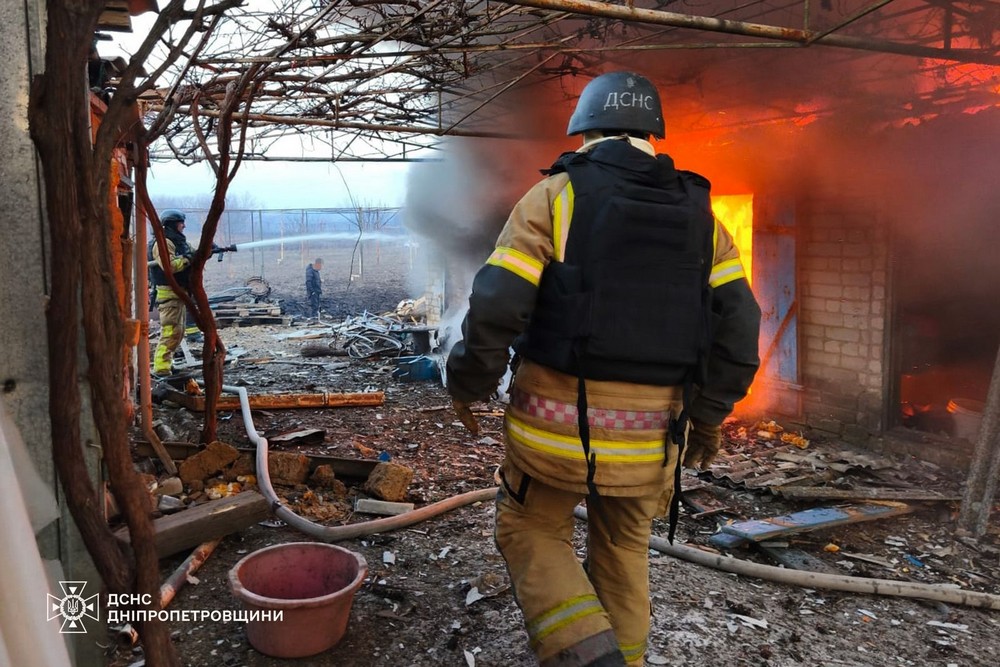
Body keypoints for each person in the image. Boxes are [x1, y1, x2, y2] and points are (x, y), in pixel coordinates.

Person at [446, 71, 761, 667]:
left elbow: (496, 306)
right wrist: (709, 420)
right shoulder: (705, 220)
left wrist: (468, 382)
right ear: (653, 135)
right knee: (623, 547)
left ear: (584, 131)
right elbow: (739, 332)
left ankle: (588, 659)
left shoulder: (554, 198)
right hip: (654, 442)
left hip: (552, 434)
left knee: (530, 530)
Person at [149, 209, 194, 377]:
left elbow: (191, 252)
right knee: (170, 331)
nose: (184, 226)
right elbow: (170, 266)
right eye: (181, 223)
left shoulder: (177, 241)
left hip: (178, 293)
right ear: (173, 224)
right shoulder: (163, 242)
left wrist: (210, 250)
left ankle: (167, 362)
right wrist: (188, 259)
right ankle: (161, 369)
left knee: (178, 331)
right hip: (169, 294)